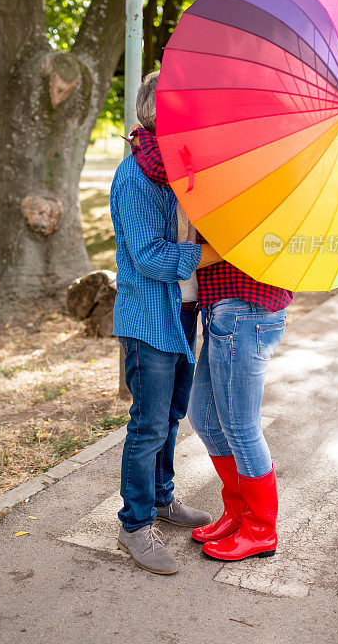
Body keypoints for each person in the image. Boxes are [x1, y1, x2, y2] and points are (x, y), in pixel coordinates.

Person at [133, 116, 293, 562]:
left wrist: (145, 138)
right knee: (205, 417)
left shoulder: (256, 171)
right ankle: (238, 512)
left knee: (240, 425)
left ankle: (261, 529)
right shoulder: (241, 166)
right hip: (224, 307)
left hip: (246, 305)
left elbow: (165, 168)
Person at [110, 71, 221, 575]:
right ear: (161, 117)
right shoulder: (135, 177)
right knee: (149, 423)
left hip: (183, 310)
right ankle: (134, 525)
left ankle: (161, 499)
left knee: (172, 415)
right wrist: (206, 254)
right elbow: (151, 258)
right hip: (148, 318)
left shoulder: (180, 172)